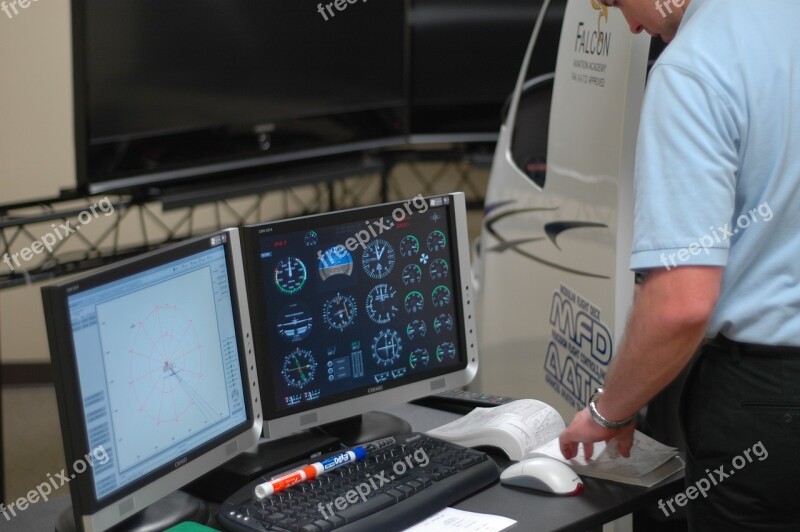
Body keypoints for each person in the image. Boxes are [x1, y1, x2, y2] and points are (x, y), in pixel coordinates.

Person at [558, 0, 800, 530]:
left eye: (616, 2)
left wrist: (607, 412)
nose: (631, 25)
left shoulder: (693, 66)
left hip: (767, 403)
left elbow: (680, 306)